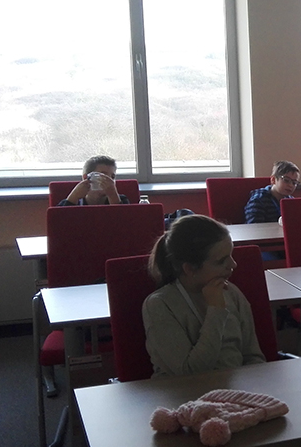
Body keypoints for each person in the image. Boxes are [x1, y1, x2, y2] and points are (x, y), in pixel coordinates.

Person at [143, 215, 265, 378]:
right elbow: (190, 374)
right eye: (221, 261)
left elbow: (254, 357)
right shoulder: (159, 305)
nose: (233, 265)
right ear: (189, 269)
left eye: (231, 255)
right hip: (185, 391)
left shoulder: (231, 292)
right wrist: (216, 310)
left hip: (236, 390)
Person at [57, 155, 129, 206]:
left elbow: (125, 220)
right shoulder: (76, 200)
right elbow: (58, 220)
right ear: (86, 177)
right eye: (103, 175)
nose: (110, 180)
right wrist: (74, 196)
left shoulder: (121, 200)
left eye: (112, 177)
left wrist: (113, 195)